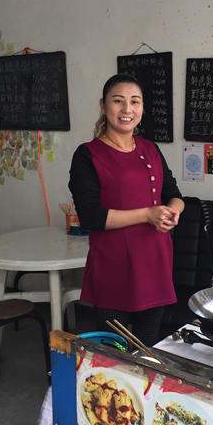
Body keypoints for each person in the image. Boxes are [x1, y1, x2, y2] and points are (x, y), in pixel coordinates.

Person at [68, 73, 184, 346]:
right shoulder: (88, 155)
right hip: (114, 267)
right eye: (118, 101)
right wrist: (147, 214)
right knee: (116, 353)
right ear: (103, 105)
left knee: (147, 349)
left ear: (142, 107)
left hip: (154, 264)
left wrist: (174, 212)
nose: (127, 110)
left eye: (135, 102)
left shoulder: (150, 148)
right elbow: (91, 216)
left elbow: (173, 194)